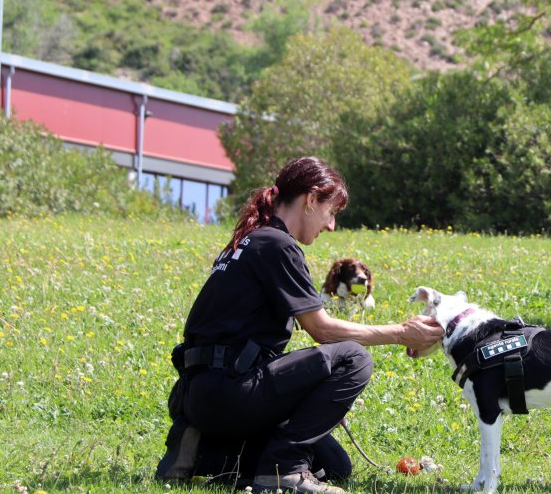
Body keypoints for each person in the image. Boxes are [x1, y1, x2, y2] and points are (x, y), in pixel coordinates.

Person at [155, 156, 444, 493]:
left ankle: (202, 452)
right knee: (353, 358)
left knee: (333, 465)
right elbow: (322, 329)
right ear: (310, 200)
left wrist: (314, 396)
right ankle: (284, 470)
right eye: (330, 212)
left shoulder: (249, 241)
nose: (331, 225)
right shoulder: (278, 245)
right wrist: (402, 333)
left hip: (199, 394)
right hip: (230, 390)